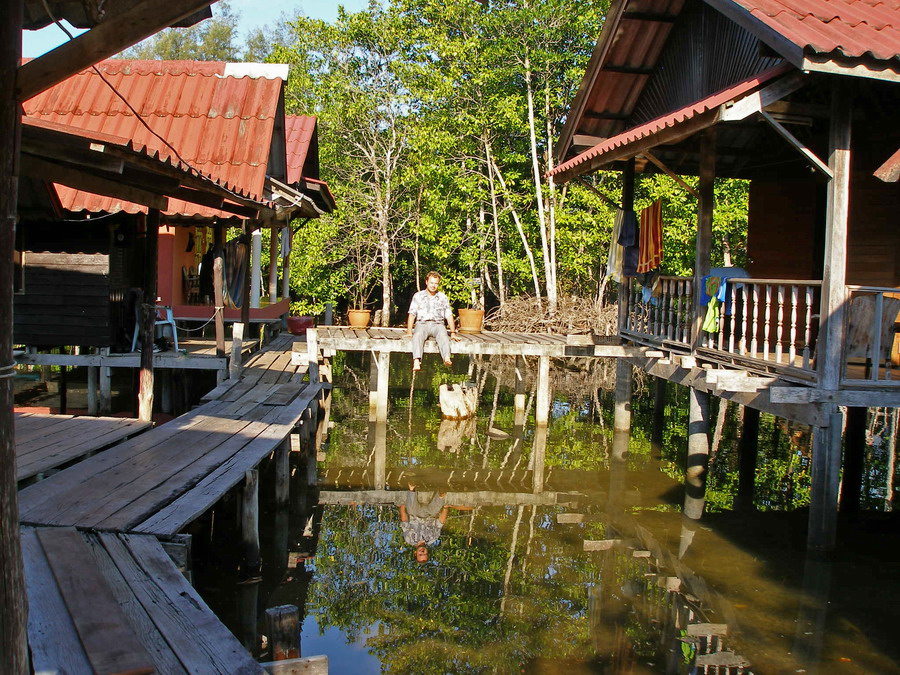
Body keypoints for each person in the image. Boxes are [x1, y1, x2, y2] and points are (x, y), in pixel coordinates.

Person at [406, 271, 459, 371]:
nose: (433, 286)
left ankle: (446, 357)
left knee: (443, 335)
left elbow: (448, 315)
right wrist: (409, 332)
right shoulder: (418, 296)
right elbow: (412, 314)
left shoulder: (443, 297)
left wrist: (453, 332)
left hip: (437, 324)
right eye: (431, 283)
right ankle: (417, 361)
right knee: (417, 335)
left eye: (436, 283)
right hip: (422, 323)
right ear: (426, 282)